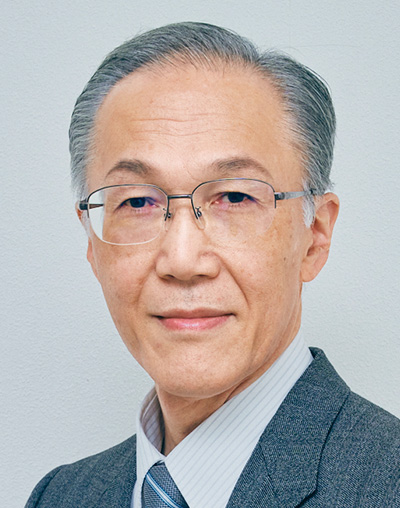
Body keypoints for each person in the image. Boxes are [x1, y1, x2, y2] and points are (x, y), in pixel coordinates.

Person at [26, 22, 400, 508]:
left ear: (315, 237)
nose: (183, 261)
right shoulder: (60, 495)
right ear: (93, 245)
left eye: (236, 197)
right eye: (137, 202)